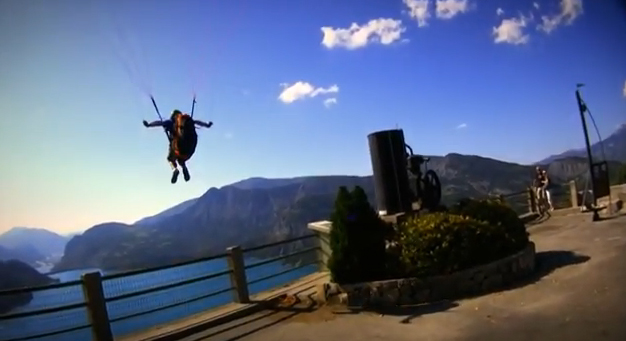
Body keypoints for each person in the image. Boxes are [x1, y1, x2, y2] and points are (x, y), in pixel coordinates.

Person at [143, 110, 213, 184]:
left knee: (170, 159)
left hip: (176, 147)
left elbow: (160, 123)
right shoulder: (185, 122)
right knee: (181, 160)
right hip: (188, 151)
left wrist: (149, 125)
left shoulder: (170, 123)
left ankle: (175, 170)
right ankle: (184, 167)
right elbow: (197, 122)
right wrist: (207, 125)